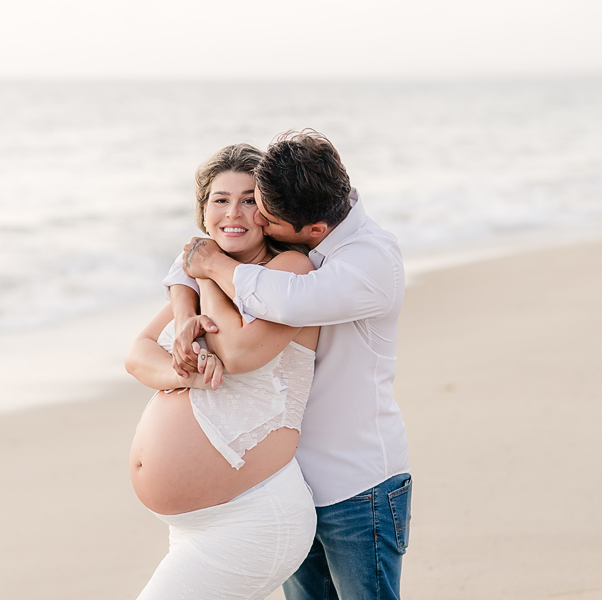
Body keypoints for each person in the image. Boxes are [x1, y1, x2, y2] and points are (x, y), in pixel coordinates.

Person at [173, 130, 412, 600]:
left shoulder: (370, 263)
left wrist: (212, 266)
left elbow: (284, 298)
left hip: (356, 486)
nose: (255, 217)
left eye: (266, 215)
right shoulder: (304, 226)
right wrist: (191, 288)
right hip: (289, 486)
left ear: (313, 231)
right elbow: (192, 260)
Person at [125, 143, 320, 600]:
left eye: (250, 199)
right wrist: (186, 368)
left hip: (252, 515)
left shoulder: (288, 269)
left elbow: (237, 355)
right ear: (203, 208)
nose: (234, 212)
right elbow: (138, 354)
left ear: (271, 210)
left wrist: (207, 273)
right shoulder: (193, 276)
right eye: (220, 199)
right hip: (199, 527)